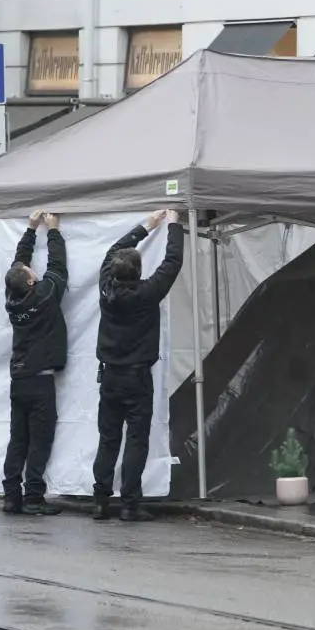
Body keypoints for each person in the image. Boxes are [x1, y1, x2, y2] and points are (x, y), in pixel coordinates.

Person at [92, 209, 184, 522]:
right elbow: (172, 262)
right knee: (135, 440)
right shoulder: (147, 294)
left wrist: (146, 227)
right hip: (137, 378)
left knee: (108, 439)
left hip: (110, 377)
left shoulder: (106, 291)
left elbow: (109, 253)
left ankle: (101, 500)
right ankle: (130, 504)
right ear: (138, 272)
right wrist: (173, 224)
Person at [2, 211, 69, 516]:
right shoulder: (45, 294)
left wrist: (30, 229)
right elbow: (57, 264)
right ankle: (33, 498)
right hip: (40, 381)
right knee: (39, 441)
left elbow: (17, 265)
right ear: (31, 280)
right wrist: (53, 229)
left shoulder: (12, 300)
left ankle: (11, 496)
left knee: (18, 439)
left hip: (19, 377)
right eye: (30, 272)